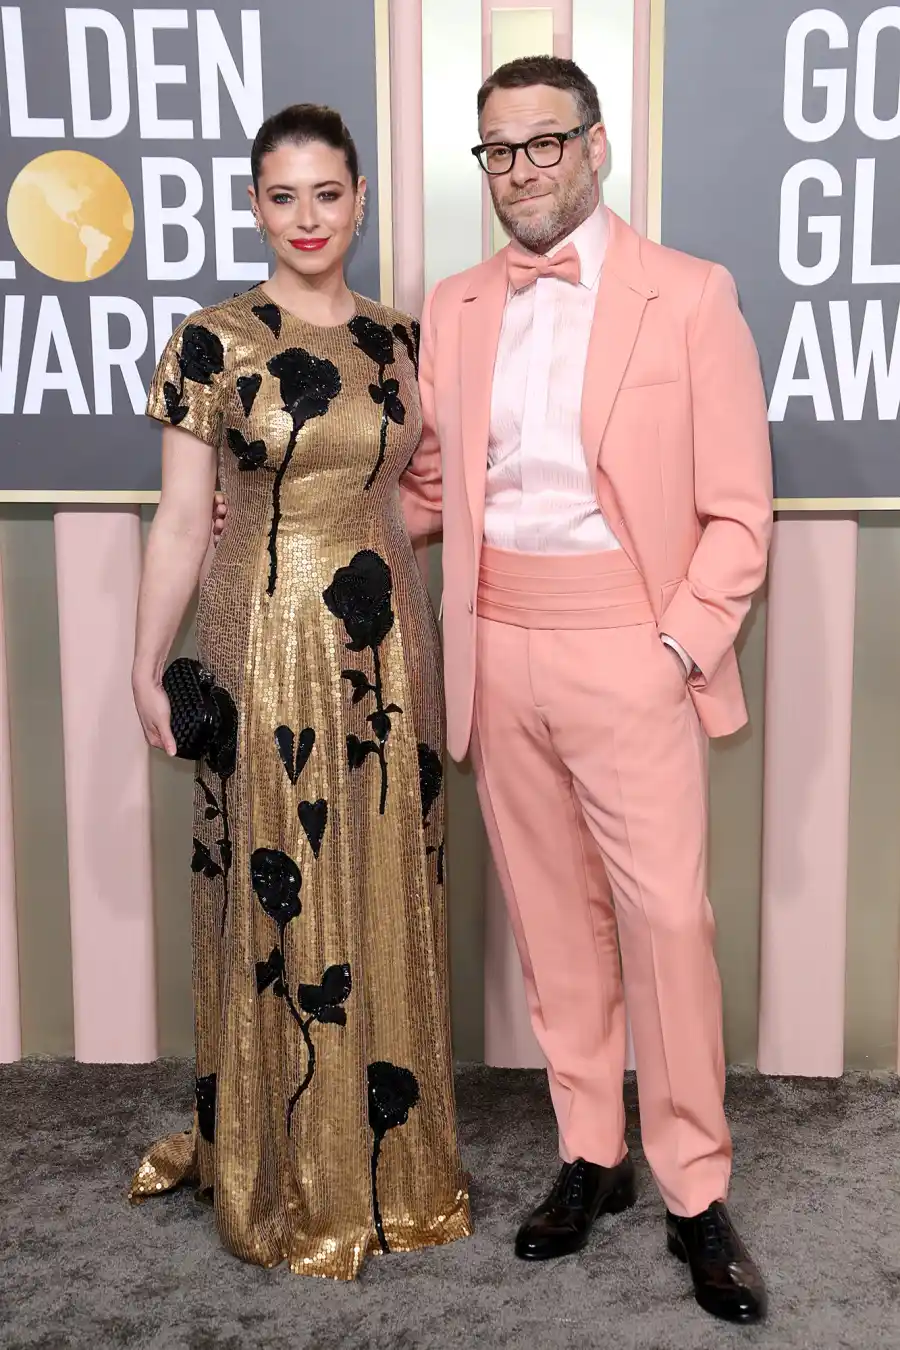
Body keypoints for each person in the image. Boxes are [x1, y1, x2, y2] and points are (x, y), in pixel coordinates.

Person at [402, 56, 772, 1324]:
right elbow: (436, 488)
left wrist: (672, 648)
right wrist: (296, 510)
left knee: (668, 924)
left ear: (598, 147)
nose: (522, 172)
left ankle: (694, 1188)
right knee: (556, 925)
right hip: (498, 648)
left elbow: (738, 514)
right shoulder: (450, 306)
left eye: (544, 144)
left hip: (632, 644)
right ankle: (592, 1156)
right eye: (499, 151)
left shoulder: (692, 295)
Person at [130, 103, 470, 1282]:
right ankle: (285, 1169)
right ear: (257, 205)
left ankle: (392, 1168)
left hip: (388, 649)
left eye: (328, 193)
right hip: (264, 641)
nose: (309, 217)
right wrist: (145, 658)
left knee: (384, 883)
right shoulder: (211, 342)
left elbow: (408, 496)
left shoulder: (401, 338)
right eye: (284, 196)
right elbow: (182, 517)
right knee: (287, 896)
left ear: (361, 198)